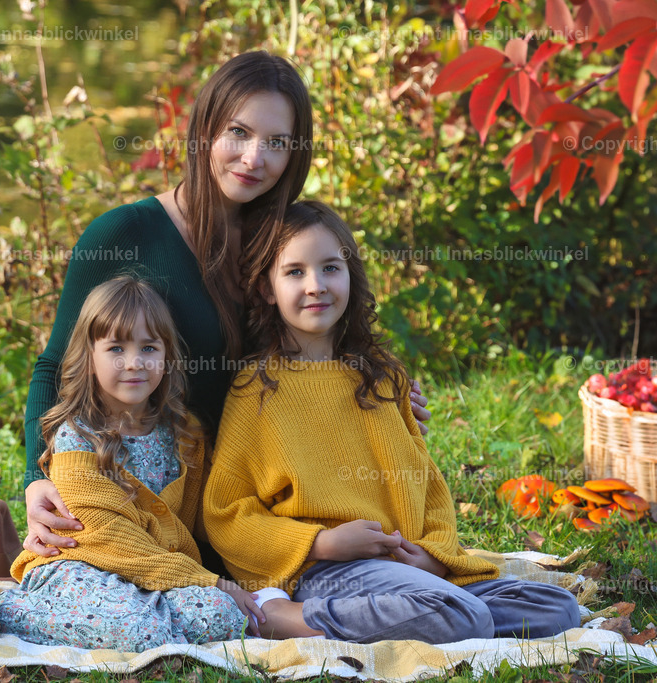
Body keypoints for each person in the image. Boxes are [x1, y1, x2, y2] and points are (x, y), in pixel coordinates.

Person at [22, 50, 432, 559]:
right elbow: (53, 366)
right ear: (204, 130)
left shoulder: (284, 244)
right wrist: (34, 480)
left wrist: (376, 387)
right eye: (238, 132)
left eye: (277, 143)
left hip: (275, 515)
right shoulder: (125, 235)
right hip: (148, 513)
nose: (254, 159)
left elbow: (319, 341)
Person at [203, 201, 581, 643]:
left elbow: (428, 486)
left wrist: (434, 556)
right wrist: (321, 543)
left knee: (557, 608)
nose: (316, 285)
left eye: (330, 268)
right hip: (325, 570)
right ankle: (288, 620)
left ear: (351, 276)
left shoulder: (382, 376)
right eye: (294, 272)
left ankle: (428, 613)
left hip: (404, 566)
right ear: (267, 288)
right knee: (464, 616)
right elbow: (226, 514)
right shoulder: (257, 390)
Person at [0, 277, 263, 651]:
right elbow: (107, 534)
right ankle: (12, 609)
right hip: (78, 565)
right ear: (90, 358)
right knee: (139, 628)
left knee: (222, 616)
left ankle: (152, 629)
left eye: (149, 347)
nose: (135, 363)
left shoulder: (185, 434)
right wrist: (212, 581)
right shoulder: (78, 436)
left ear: (167, 356)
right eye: (116, 348)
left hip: (152, 577)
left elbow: (207, 518)